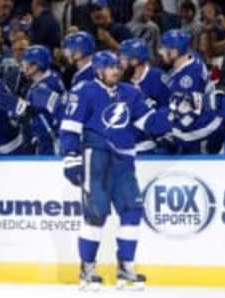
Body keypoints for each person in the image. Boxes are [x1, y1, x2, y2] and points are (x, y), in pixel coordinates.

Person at [59, 50, 172, 290]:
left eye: (117, 67)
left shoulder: (130, 93)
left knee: (132, 213)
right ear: (99, 70)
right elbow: (69, 127)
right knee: (95, 215)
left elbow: (149, 123)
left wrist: (175, 113)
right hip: (96, 158)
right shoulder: (83, 91)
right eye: (111, 67)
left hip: (124, 160)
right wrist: (71, 157)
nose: (116, 71)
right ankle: (88, 270)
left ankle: (126, 268)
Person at [159, 29, 224, 154]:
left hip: (202, 130)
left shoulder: (188, 78)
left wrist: (168, 133)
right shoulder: (190, 58)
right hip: (197, 126)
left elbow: (187, 113)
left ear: (175, 51)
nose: (160, 51)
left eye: (164, 48)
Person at [119, 38, 171, 154]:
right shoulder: (121, 82)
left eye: (123, 58)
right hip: (127, 146)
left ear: (135, 61)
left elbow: (169, 110)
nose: (119, 62)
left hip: (152, 146)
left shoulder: (158, 78)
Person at [21, 45, 66, 155]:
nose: (22, 66)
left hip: (50, 141)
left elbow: (61, 111)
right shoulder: (51, 77)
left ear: (36, 66)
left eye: (25, 63)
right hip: (47, 139)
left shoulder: (43, 88)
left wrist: (24, 109)